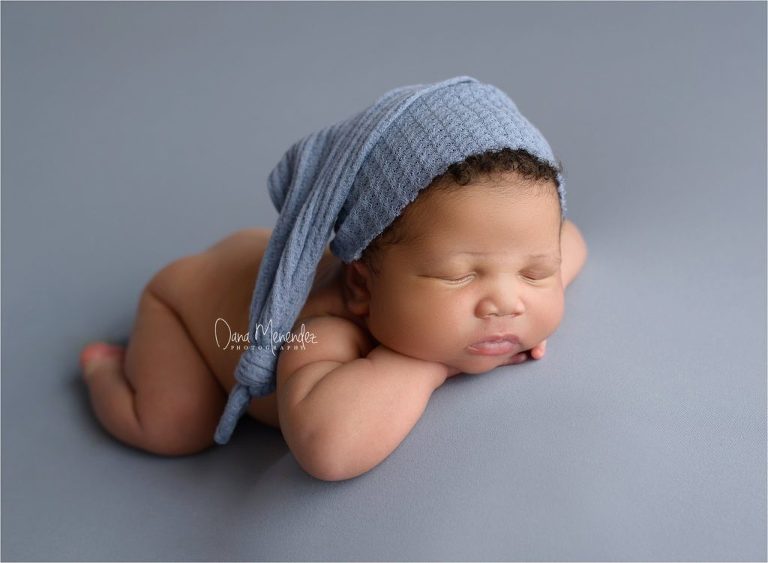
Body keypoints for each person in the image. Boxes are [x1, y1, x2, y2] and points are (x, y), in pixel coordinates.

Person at [80, 76, 588, 481]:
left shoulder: (490, 265)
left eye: (534, 272)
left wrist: (533, 296)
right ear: (362, 286)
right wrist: (432, 365)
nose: (506, 302)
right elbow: (329, 450)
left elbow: (571, 240)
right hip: (186, 308)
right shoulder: (325, 329)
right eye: (459, 276)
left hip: (245, 255)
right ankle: (102, 368)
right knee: (175, 426)